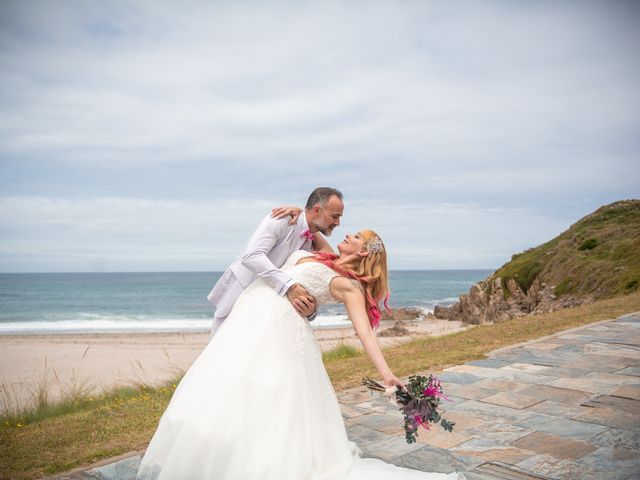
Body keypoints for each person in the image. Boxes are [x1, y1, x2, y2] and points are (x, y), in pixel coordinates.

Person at [137, 230, 464, 480]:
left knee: (268, 397)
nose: (344, 234)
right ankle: (223, 453)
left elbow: (365, 333)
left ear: (362, 250)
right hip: (249, 321)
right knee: (231, 388)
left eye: (352, 236)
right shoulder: (322, 255)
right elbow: (314, 226)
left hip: (277, 333)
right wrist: (296, 211)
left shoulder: (348, 285)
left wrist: (386, 374)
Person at [207, 187, 344, 337]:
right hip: (241, 296)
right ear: (317, 210)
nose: (338, 223)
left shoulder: (313, 241)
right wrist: (289, 287)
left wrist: (311, 311)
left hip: (270, 313)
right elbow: (251, 256)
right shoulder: (282, 219)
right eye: (335, 216)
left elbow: (327, 268)